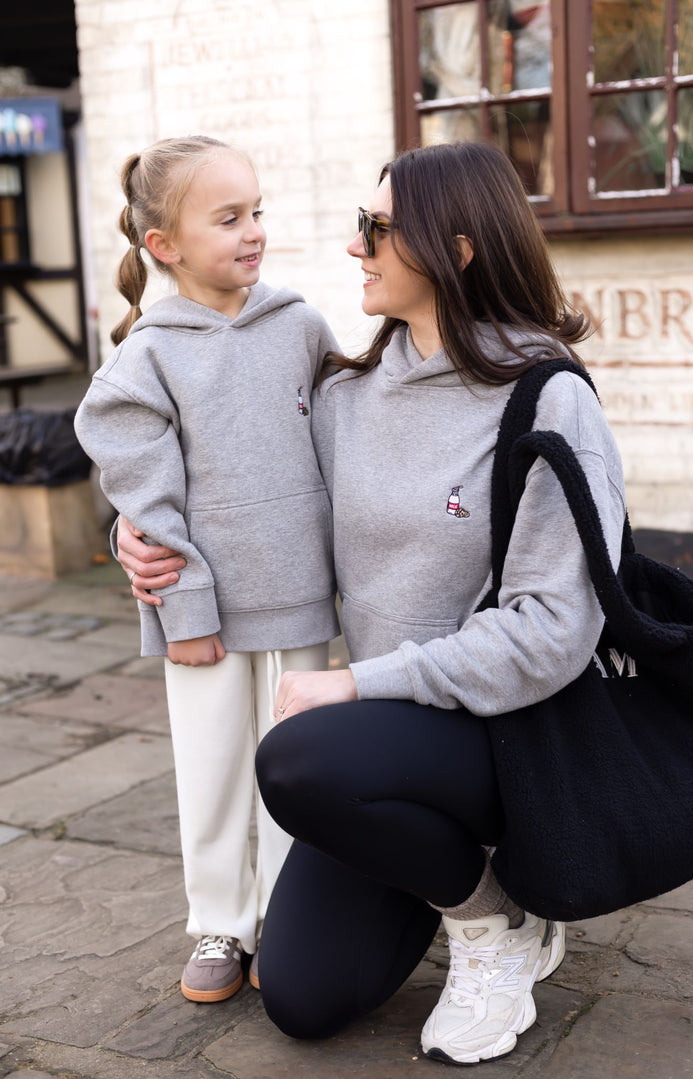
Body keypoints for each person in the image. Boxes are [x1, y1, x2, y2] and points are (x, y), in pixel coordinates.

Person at [117, 140, 626, 1065]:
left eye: (378, 227)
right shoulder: (348, 392)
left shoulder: (547, 401)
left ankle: (490, 922)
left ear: (458, 249)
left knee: (301, 757)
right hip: (387, 742)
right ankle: (463, 883)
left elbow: (556, 631)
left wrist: (359, 684)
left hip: (508, 733)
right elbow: (251, 495)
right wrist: (141, 535)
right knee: (307, 998)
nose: (356, 246)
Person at [74, 135, 339, 1005]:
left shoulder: (301, 326)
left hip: (303, 598)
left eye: (257, 210)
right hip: (205, 617)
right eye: (229, 218)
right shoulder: (148, 357)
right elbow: (147, 500)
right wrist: (182, 606)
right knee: (214, 765)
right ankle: (220, 920)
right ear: (165, 245)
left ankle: (290, 914)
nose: (253, 230)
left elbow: (346, 449)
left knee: (294, 763)